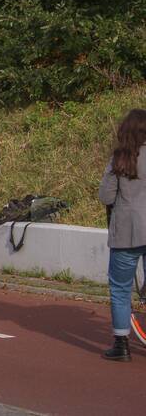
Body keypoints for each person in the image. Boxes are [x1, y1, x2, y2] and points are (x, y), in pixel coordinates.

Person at [98, 108, 146, 362]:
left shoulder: (120, 159)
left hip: (126, 232)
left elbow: (105, 196)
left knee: (120, 288)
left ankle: (121, 343)